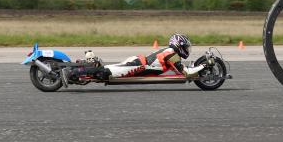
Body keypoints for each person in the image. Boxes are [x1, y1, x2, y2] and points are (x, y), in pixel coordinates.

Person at [62, 34, 206, 86]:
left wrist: (196, 67)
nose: (187, 50)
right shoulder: (171, 53)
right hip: (138, 66)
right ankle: (72, 72)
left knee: (107, 71)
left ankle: (87, 65)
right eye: (186, 47)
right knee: (106, 74)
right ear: (179, 45)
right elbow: (186, 73)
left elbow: (180, 72)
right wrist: (204, 65)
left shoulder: (170, 52)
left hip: (138, 63)